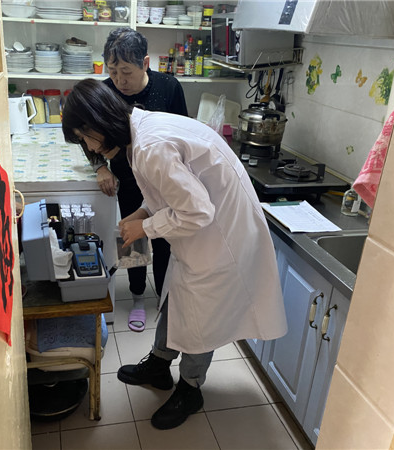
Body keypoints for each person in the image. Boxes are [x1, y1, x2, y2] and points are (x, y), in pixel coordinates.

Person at [62, 79, 287, 430]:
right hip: (203, 233)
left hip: (221, 239)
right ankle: (159, 364)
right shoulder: (141, 130)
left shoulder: (150, 145)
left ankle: (191, 389)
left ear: (98, 122)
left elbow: (198, 210)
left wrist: (146, 227)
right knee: (176, 297)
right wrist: (143, 212)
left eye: (84, 137)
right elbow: (168, 188)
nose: (89, 147)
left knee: (201, 318)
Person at [92, 27, 188, 333]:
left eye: (126, 72)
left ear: (145, 63)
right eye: (113, 71)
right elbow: (87, 136)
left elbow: (183, 133)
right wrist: (101, 167)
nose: (119, 80)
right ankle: (136, 297)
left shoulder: (169, 87)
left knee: (164, 241)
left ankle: (163, 297)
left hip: (164, 181)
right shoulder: (105, 92)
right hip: (128, 179)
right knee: (133, 238)